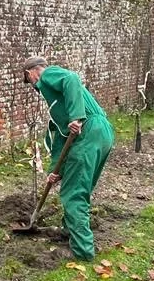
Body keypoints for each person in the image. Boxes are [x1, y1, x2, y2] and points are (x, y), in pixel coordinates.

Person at [21, 55, 115, 261]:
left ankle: (82, 251)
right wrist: (55, 171)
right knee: (79, 184)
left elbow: (72, 78)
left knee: (73, 193)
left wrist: (75, 116)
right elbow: (61, 141)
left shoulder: (47, 75)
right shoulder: (57, 103)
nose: (34, 88)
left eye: (30, 82)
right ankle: (69, 230)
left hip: (89, 130)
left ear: (31, 73)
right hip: (101, 133)